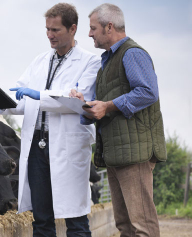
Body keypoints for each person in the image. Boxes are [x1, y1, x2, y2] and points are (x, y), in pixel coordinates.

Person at [0, 3, 100, 236]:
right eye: (47, 29)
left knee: (76, 221)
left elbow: (80, 103)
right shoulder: (39, 61)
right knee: (41, 219)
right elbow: (22, 98)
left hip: (67, 148)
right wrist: (5, 105)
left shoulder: (90, 62)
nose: (50, 35)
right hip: (38, 147)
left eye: (56, 30)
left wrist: (40, 95)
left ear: (73, 29)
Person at [70, 3, 166, 237]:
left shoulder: (132, 53)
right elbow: (105, 107)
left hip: (135, 154)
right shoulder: (107, 63)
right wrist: (87, 104)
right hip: (117, 153)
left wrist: (108, 105)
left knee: (142, 226)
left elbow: (147, 92)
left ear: (109, 26)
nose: (89, 33)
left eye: (93, 28)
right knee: (125, 226)